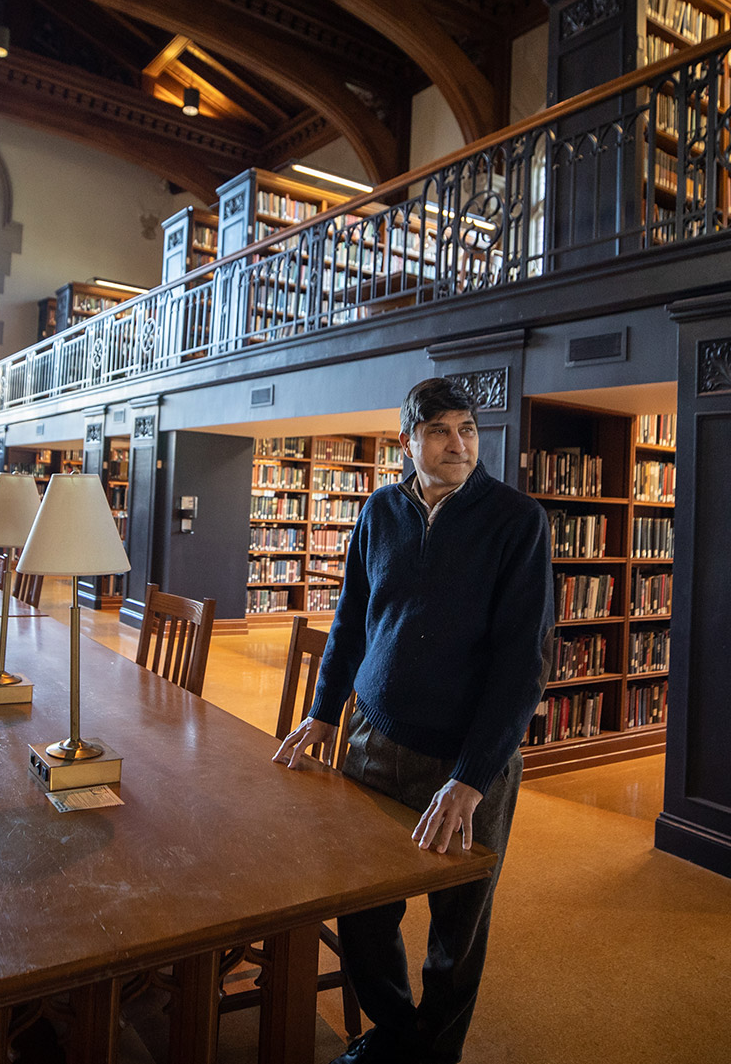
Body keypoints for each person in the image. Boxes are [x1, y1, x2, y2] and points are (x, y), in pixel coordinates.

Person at [274, 377, 553, 1064]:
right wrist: (322, 711)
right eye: (438, 431)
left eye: (466, 428)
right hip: (372, 740)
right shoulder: (377, 511)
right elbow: (350, 622)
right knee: (363, 911)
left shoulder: (517, 520)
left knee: (457, 930)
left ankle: (435, 1055)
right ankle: (396, 1036)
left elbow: (523, 665)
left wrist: (470, 777)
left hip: (465, 763)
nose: (457, 444)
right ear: (407, 442)